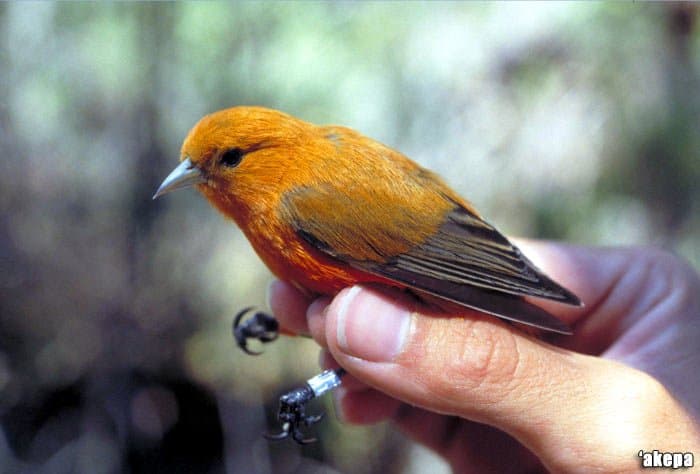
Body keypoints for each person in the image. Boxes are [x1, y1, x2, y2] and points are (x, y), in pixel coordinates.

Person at [268, 240, 700, 472]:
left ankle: (313, 383)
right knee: (347, 333)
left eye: (228, 160)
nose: (197, 173)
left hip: (441, 278)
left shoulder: (299, 203)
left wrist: (678, 461)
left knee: (360, 336)